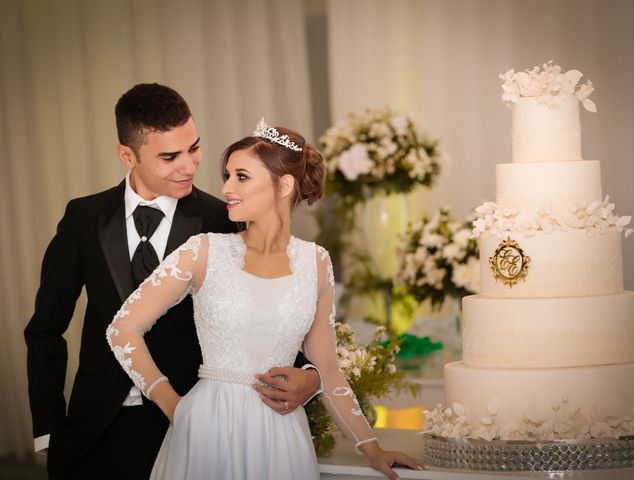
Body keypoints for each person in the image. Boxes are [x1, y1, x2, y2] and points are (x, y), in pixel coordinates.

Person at [24, 84, 321, 480]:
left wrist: (311, 378)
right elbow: (45, 329)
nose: (190, 166)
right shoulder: (82, 218)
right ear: (127, 155)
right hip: (92, 431)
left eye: (194, 148)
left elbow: (274, 313)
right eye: (170, 156)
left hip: (194, 429)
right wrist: (48, 431)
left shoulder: (225, 219)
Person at [106, 118, 427, 479]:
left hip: (281, 435)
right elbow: (122, 328)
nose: (227, 187)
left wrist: (372, 449)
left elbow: (330, 371)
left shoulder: (316, 262)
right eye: (227, 175)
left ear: (284, 184)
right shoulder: (204, 251)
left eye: (241, 176)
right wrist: (174, 406)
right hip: (206, 429)